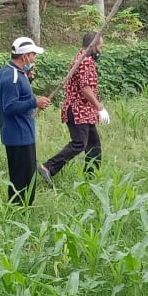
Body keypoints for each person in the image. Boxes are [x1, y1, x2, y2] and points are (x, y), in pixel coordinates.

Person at [39, 32, 110, 186]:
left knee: (94, 146)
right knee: (79, 143)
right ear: (92, 46)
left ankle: (91, 179)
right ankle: (48, 167)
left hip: (85, 111)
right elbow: (85, 88)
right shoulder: (84, 61)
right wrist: (99, 106)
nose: (100, 51)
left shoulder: (85, 59)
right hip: (78, 111)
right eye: (100, 47)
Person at [0, 36, 51, 206]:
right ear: (25, 56)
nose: (34, 58)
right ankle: (20, 211)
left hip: (24, 133)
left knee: (25, 176)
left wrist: (28, 78)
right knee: (23, 179)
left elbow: (19, 95)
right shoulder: (11, 76)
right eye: (33, 54)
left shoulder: (18, 73)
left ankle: (21, 210)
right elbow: (10, 106)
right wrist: (35, 102)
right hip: (18, 134)